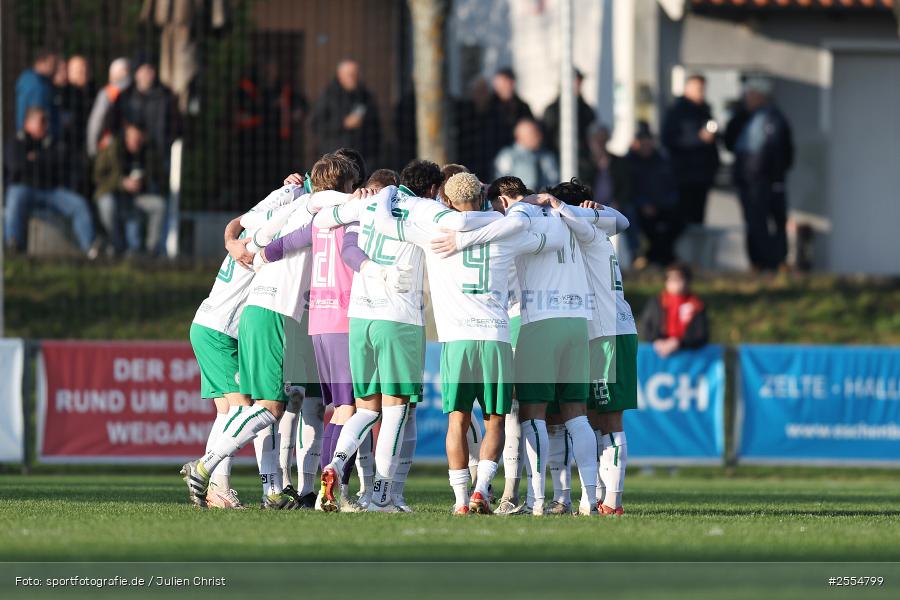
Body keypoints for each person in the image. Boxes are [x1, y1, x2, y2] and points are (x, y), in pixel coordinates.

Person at [311, 159, 503, 512]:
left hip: (360, 317)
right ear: (432, 190)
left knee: (366, 410)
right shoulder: (426, 210)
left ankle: (335, 464)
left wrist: (359, 199)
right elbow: (462, 222)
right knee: (396, 411)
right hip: (398, 318)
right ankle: (382, 497)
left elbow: (322, 219)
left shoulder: (370, 203)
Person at [373, 172, 566, 515]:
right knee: (495, 421)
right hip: (494, 336)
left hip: (456, 339)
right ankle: (481, 491)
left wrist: (388, 192)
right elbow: (553, 238)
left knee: (458, 422)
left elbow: (387, 224)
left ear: (446, 200)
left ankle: (461, 500)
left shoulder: (434, 229)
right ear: (481, 196)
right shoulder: (505, 226)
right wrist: (530, 205)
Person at [437, 176, 599, 516]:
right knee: (574, 416)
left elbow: (497, 223)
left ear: (504, 200)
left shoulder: (506, 222)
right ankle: (587, 499)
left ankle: (533, 500)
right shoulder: (562, 216)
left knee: (526, 415)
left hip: (532, 323)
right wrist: (561, 206)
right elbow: (614, 222)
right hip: (576, 321)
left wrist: (467, 236)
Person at [542, 178, 638, 516]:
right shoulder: (594, 230)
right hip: (602, 331)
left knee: (609, 419)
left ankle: (612, 502)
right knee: (592, 418)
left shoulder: (587, 230)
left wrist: (562, 208)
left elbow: (623, 220)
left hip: (607, 333)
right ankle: (595, 497)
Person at [4, 106, 97, 256]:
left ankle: (91, 248)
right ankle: (13, 244)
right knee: (14, 195)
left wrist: (35, 159)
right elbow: (16, 166)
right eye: (41, 121)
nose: (45, 125)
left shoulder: (52, 142)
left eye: (46, 121)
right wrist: (41, 161)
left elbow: (60, 162)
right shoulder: (16, 141)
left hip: (50, 191)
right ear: (28, 123)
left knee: (78, 204)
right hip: (25, 189)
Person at [724, 77, 794, 271]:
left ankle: (776, 261)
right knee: (754, 223)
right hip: (748, 181)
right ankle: (758, 262)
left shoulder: (774, 118)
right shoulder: (741, 118)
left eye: (751, 95)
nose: (748, 99)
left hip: (769, 180)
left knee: (775, 221)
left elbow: (785, 151)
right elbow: (729, 142)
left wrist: (776, 177)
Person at [93, 120, 167, 255]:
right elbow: (97, 177)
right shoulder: (112, 148)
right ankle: (114, 245)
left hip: (135, 198)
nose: (135, 143)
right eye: (133, 139)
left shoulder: (148, 152)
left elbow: (158, 177)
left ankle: (152, 251)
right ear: (127, 134)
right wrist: (121, 182)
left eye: (139, 140)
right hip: (112, 194)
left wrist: (142, 182)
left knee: (159, 205)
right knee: (109, 205)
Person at [661, 74, 720, 225]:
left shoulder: (704, 110)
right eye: (698, 88)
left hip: (702, 175)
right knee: (682, 219)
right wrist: (698, 138)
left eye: (703, 88)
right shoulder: (677, 111)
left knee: (697, 218)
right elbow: (669, 140)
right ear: (688, 88)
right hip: (683, 175)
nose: (701, 92)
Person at [626, 123, 682, 267]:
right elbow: (628, 190)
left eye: (648, 142)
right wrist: (643, 204)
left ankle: (659, 258)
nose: (646, 146)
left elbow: (671, 187)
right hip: (640, 207)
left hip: (661, 206)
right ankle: (649, 257)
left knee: (675, 222)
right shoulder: (629, 163)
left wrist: (660, 204)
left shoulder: (662, 160)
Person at [310, 60, 381, 168]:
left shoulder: (365, 96)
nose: (354, 78)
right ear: (340, 76)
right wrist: (343, 123)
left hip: (363, 157)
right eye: (350, 75)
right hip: (336, 158)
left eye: (356, 75)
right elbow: (316, 124)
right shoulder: (329, 96)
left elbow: (375, 125)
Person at [108, 59, 181, 161]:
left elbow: (175, 127)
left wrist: (146, 137)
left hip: (159, 157)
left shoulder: (167, 96)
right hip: (128, 158)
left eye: (151, 69)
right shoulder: (124, 96)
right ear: (136, 73)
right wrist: (127, 133)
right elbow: (113, 124)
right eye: (145, 70)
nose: (149, 74)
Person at [639, 262, 709, 357]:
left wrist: (679, 343)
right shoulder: (657, 302)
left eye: (678, 279)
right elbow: (646, 327)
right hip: (657, 355)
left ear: (687, 281)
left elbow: (701, 335)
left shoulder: (696, 304)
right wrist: (656, 341)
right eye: (670, 279)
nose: (674, 283)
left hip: (688, 357)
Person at [57, 55, 96, 197]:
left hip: (92, 148)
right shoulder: (64, 94)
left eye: (85, 68)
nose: (83, 72)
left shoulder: (95, 92)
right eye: (78, 70)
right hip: (70, 150)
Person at [482, 68, 534, 172]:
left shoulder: (522, 107)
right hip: (491, 154)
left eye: (507, 83)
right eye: (501, 84)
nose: (504, 87)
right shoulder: (488, 106)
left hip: (518, 157)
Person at [542, 69, 596, 160]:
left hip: (582, 158)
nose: (578, 85)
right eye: (574, 82)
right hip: (558, 157)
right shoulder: (553, 110)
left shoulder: (587, 110)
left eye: (579, 82)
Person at [494, 119, 559, 192]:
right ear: (519, 137)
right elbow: (500, 185)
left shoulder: (548, 156)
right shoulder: (507, 156)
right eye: (533, 133)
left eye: (538, 132)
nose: (539, 136)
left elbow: (554, 181)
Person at [87, 58, 131, 158]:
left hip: (111, 144)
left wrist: (92, 149)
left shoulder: (108, 92)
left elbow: (97, 121)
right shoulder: (137, 91)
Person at [15, 49, 61, 138]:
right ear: (40, 62)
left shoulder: (43, 81)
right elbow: (37, 111)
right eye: (51, 64)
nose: (54, 68)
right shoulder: (35, 82)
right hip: (34, 133)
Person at [454, 77, 492, 181]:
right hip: (467, 161)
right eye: (478, 92)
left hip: (488, 164)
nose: (481, 95)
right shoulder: (463, 113)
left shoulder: (494, 113)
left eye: (484, 91)